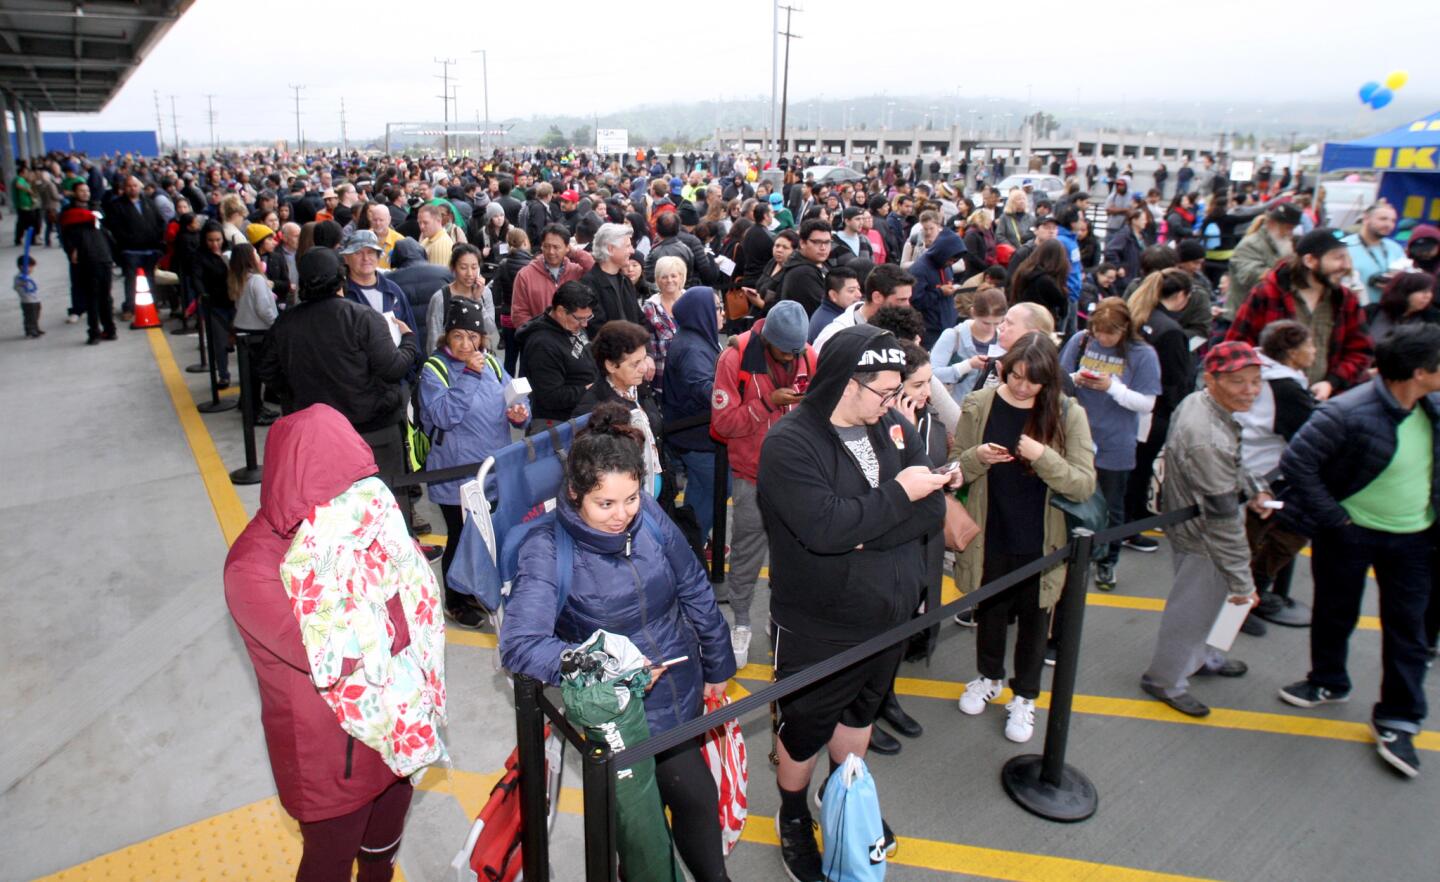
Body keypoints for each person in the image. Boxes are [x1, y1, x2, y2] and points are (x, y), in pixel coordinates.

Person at [500, 401, 735, 882]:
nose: (622, 515)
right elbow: (520, 644)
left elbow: (693, 584)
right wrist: (604, 665)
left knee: (692, 800)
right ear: (574, 492)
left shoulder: (646, 513)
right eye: (605, 504)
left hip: (680, 685)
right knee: (641, 825)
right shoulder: (546, 549)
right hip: (620, 714)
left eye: (630, 498)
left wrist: (718, 663)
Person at [759, 324, 948, 881]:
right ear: (847, 382)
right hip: (819, 622)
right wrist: (897, 498)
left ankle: (842, 794)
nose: (896, 404)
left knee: (860, 713)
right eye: (886, 391)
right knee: (803, 727)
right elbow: (823, 528)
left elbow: (931, 509)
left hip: (888, 613)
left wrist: (864, 529)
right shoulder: (790, 443)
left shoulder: (890, 424)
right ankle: (792, 815)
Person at [225, 404, 443, 882]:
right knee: (328, 864)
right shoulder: (253, 568)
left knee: (380, 853)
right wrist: (401, 598)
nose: (355, 499)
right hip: (327, 752)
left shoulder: (357, 526)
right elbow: (330, 653)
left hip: (395, 726)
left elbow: (412, 595)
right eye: (340, 488)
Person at [1277, 324, 1440, 779]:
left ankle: (1398, 718)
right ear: (1419, 371)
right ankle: (1328, 680)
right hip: (1351, 533)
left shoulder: (1434, 407)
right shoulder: (1348, 412)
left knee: (1409, 629)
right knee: (1334, 610)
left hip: (1415, 537)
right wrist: (1335, 518)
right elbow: (1298, 463)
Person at [952, 333, 1097, 742]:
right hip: (990, 528)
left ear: (1048, 380)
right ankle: (988, 676)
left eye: (1031, 380)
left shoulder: (1068, 414)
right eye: (1013, 375)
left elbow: (1083, 484)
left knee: (1036, 619)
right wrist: (976, 458)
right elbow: (955, 466)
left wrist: (1042, 456)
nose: (1019, 386)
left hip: (1042, 537)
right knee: (990, 611)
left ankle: (1026, 695)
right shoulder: (980, 404)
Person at [1139, 342, 1266, 718]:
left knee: (1221, 604)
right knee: (1193, 613)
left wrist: (1254, 489)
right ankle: (1166, 679)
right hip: (1204, 535)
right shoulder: (1205, 435)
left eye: (1256, 381)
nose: (1251, 390)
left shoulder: (1200, 402)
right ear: (1211, 379)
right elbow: (1223, 522)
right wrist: (1244, 581)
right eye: (1239, 382)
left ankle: (1209, 655)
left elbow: (1231, 464)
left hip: (1196, 521)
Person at [259, 247, 420, 527]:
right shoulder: (363, 318)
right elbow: (393, 368)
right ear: (341, 278)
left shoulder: (286, 323)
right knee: (387, 504)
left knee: (333, 512)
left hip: (317, 437)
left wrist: (297, 393)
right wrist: (409, 341)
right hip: (373, 430)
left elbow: (268, 371)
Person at [709, 300, 814, 667]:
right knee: (746, 551)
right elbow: (723, 423)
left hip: (798, 478)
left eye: (797, 351)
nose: (791, 358)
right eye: (785, 350)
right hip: (752, 475)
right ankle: (740, 622)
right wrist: (767, 403)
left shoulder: (808, 357)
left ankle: (779, 616)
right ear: (767, 339)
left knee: (794, 552)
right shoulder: (734, 359)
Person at [419, 298, 529, 627]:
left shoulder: (492, 364)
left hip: (490, 469)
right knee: (459, 535)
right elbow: (443, 415)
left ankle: (475, 591)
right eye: (458, 337)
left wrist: (521, 414)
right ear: (446, 337)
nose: (467, 344)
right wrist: (468, 374)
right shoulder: (434, 370)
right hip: (455, 472)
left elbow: (516, 395)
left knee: (486, 534)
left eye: (473, 336)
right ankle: (454, 599)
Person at [1059, 298, 1160, 591]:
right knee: (1072, 501)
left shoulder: (1143, 355)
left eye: (1109, 334)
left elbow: (1146, 403)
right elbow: (1060, 379)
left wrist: (1112, 388)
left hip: (1117, 441)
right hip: (1077, 437)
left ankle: (1107, 562)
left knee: (1113, 507)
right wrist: (1077, 378)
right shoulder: (1080, 341)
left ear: (1125, 328)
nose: (1102, 338)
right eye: (1098, 332)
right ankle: (1073, 558)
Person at [1232, 320, 1318, 631]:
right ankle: (1230, 623)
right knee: (1248, 554)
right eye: (1310, 345)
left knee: (1243, 553)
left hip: (1248, 471)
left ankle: (1240, 611)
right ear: (1292, 352)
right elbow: (1309, 435)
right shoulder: (1286, 388)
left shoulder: (1257, 369)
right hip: (1261, 479)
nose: (1315, 351)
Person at [1226, 228, 1372, 403]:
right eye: (1338, 257)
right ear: (1310, 261)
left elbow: (1361, 351)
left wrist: (1332, 383)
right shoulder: (1267, 294)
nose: (1347, 266)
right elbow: (1238, 347)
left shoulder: (1345, 300)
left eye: (1347, 257)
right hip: (1270, 403)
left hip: (1326, 404)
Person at [1122, 269, 1197, 550]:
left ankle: (1133, 515)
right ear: (1180, 296)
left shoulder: (1139, 317)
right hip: (1157, 411)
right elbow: (1177, 379)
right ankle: (1129, 525)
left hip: (1130, 404)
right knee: (1140, 470)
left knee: (1132, 470)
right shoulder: (1172, 331)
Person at [661, 287, 727, 544]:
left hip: (695, 434)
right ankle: (690, 544)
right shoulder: (693, 349)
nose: (722, 313)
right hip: (696, 435)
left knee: (701, 489)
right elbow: (704, 389)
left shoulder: (698, 339)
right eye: (718, 308)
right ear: (704, 313)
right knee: (719, 487)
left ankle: (691, 537)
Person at [574, 320, 664, 496]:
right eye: (635, 363)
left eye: (644, 358)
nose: (644, 368)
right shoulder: (593, 409)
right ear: (611, 365)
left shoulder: (638, 387)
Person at [517, 280, 596, 432]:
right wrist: (588, 389)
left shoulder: (571, 325)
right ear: (560, 311)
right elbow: (550, 397)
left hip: (579, 415)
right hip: (557, 425)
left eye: (589, 318)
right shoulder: (542, 345)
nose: (585, 324)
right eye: (580, 319)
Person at [59, 181, 117, 344]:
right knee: (91, 297)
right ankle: (94, 332)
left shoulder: (97, 209)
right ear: (74, 193)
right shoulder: (69, 213)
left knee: (106, 297)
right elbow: (66, 236)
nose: (85, 193)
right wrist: (72, 250)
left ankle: (109, 329)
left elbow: (106, 231)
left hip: (103, 256)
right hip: (86, 258)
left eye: (87, 190)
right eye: (81, 191)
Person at [509, 224, 596, 329]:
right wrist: (537, 335)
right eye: (546, 246)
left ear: (567, 247)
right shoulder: (525, 275)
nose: (551, 252)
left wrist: (575, 253)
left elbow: (593, 267)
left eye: (556, 247)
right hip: (540, 338)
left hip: (572, 336)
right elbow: (519, 314)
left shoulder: (576, 271)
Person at [104, 175, 166, 321]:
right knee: (131, 281)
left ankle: (152, 305)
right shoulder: (117, 205)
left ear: (140, 187)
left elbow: (160, 221)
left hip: (151, 249)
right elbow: (115, 228)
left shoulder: (149, 202)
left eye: (135, 185)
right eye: (129, 186)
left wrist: (157, 238)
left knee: (150, 280)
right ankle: (130, 307)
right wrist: (129, 240)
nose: (132, 188)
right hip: (130, 250)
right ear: (124, 188)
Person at [1224, 203, 1302, 319]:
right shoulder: (1250, 245)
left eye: (1293, 228)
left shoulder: (1285, 245)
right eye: (1287, 228)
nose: (1290, 233)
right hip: (1246, 315)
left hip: (1270, 314)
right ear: (1272, 224)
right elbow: (1250, 276)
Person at [932, 287, 1007, 407]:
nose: (991, 329)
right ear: (973, 313)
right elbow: (932, 374)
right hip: (955, 406)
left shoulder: (1004, 340)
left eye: (997, 323)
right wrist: (968, 365)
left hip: (988, 409)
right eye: (986, 323)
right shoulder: (953, 335)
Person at [340, 231, 418, 334]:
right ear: (346, 258)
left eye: (370, 252)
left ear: (378, 257)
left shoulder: (393, 290)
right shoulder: (342, 294)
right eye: (358, 253)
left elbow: (411, 332)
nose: (365, 258)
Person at [423, 244, 487, 358]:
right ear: (453, 268)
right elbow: (433, 340)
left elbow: (490, 329)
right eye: (463, 267)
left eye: (474, 267)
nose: (469, 273)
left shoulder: (485, 293)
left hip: (478, 361)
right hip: (449, 362)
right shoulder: (440, 298)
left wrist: (478, 300)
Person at [910, 225, 968, 347]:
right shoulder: (920, 269)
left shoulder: (946, 266)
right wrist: (940, 292)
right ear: (942, 253)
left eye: (955, 261)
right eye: (951, 259)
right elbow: (915, 301)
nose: (952, 263)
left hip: (948, 325)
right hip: (930, 330)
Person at [582, 222, 644, 331]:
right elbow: (597, 328)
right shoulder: (589, 285)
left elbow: (640, 319)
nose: (632, 251)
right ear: (611, 249)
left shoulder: (625, 280)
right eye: (628, 246)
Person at [1343, 202, 1407, 306]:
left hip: (1387, 311)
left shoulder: (1395, 248)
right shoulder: (1345, 246)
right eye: (1383, 219)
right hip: (1352, 309)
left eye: (1393, 221)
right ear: (1366, 219)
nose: (1389, 225)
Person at [775, 218, 833, 316]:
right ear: (802, 243)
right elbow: (825, 308)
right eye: (817, 242)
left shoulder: (817, 263)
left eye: (827, 242)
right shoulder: (803, 273)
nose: (823, 247)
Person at [1009, 239, 1071, 328]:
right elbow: (1063, 309)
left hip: (1020, 319)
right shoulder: (1048, 283)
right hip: (1041, 325)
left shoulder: (1024, 271)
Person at [1364, 271, 1439, 342]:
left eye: (1430, 291)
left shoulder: (1431, 318)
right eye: (1423, 291)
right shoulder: (1372, 312)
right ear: (1404, 292)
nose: (1428, 296)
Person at [806, 265, 861, 343]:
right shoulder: (831, 326)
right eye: (851, 291)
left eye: (858, 289)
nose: (859, 295)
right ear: (833, 295)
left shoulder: (839, 313)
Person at [1103, 208, 1149, 282]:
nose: (1145, 222)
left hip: (1138, 274)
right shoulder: (1124, 235)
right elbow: (1110, 251)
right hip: (1127, 276)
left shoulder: (1144, 236)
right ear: (1134, 220)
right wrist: (1118, 266)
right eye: (1143, 219)